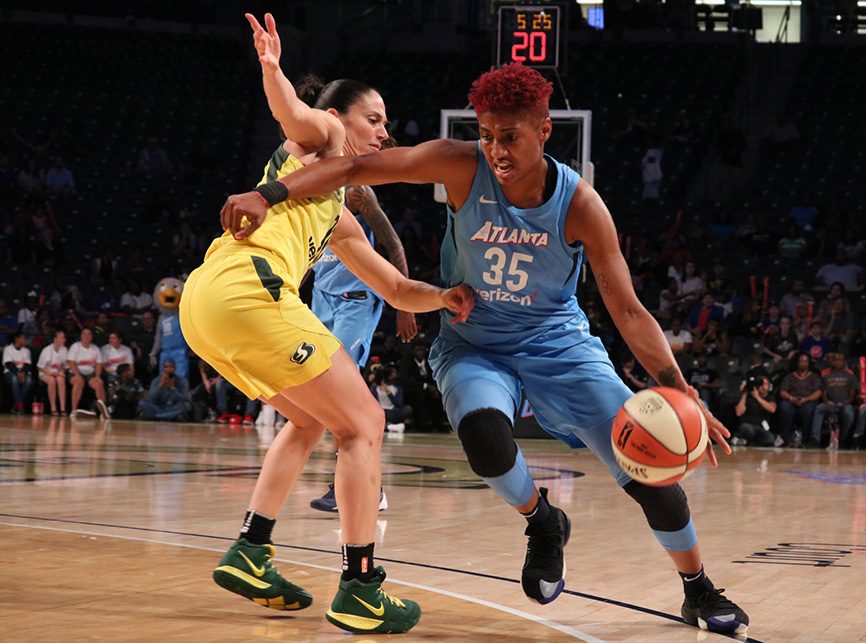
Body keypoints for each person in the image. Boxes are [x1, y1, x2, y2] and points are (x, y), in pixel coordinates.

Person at [222, 60, 748, 634]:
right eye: (488, 135)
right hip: (473, 343)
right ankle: (543, 521)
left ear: (544, 131)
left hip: (557, 343)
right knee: (485, 440)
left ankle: (698, 587)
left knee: (650, 475)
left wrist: (678, 387)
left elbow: (625, 309)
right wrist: (268, 193)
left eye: (511, 137)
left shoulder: (581, 205)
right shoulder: (460, 165)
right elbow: (357, 166)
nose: (496, 149)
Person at [185, 13, 472, 635]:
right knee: (365, 422)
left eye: (387, 124)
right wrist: (271, 69)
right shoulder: (319, 140)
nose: (383, 131)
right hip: (247, 292)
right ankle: (363, 588)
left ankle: (251, 550)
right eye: (374, 118)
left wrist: (444, 296)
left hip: (207, 301)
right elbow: (293, 112)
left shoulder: (335, 209)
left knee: (311, 417)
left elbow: (394, 287)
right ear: (340, 117)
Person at [308, 181, 416, 512]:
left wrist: (404, 305)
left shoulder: (357, 194)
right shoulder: (308, 190)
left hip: (355, 302)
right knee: (322, 391)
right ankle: (361, 485)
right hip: (321, 299)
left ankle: (368, 488)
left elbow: (394, 246)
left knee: (342, 389)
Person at [775, 352, 823, 448]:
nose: (803, 363)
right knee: (785, 408)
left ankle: (805, 440)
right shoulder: (789, 376)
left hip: (808, 400)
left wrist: (806, 399)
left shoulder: (814, 377)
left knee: (807, 410)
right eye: (801, 361)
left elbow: (818, 393)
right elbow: (782, 391)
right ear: (796, 363)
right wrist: (792, 398)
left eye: (806, 361)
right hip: (791, 400)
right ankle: (787, 439)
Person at [733, 375, 776, 446]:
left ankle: (747, 442)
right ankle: (742, 439)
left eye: (765, 384)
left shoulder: (770, 398)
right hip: (747, 425)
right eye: (761, 384)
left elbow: (772, 409)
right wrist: (745, 393)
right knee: (748, 430)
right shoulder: (747, 397)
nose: (763, 386)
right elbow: (738, 413)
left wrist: (757, 398)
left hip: (761, 428)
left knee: (770, 439)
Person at [37, 330, 68, 416]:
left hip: (58, 373)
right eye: (62, 338)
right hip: (45, 372)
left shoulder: (64, 350)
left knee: (61, 380)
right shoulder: (46, 350)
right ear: (55, 339)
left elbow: (65, 367)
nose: (64, 340)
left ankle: (62, 408)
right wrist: (50, 372)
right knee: (51, 381)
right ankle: (53, 408)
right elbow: (40, 366)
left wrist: (61, 372)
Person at [3, 332, 33, 413]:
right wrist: (18, 372)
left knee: (29, 380)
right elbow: (8, 364)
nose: (25, 340)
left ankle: (16, 405)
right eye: (23, 338)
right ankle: (20, 405)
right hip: (10, 372)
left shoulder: (26, 350)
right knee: (14, 379)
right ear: (17, 339)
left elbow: (28, 364)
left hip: (24, 372)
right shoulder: (8, 349)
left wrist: (22, 372)